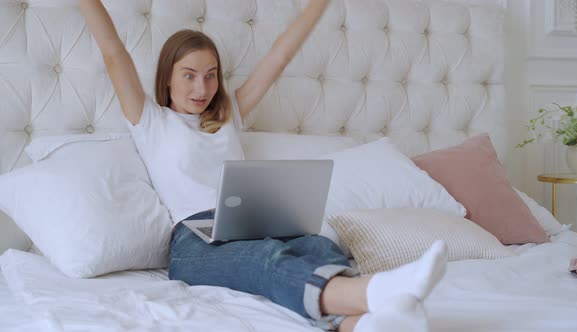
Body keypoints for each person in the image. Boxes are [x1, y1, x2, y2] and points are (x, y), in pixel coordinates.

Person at [79, 1, 449, 331]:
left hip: (252, 225)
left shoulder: (227, 116)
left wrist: (317, 7)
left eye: (211, 74)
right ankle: (374, 292)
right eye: (189, 74)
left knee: (317, 244)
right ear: (168, 77)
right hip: (193, 243)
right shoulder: (151, 121)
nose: (202, 87)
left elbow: (278, 58)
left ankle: (357, 323)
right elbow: (113, 52)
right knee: (266, 259)